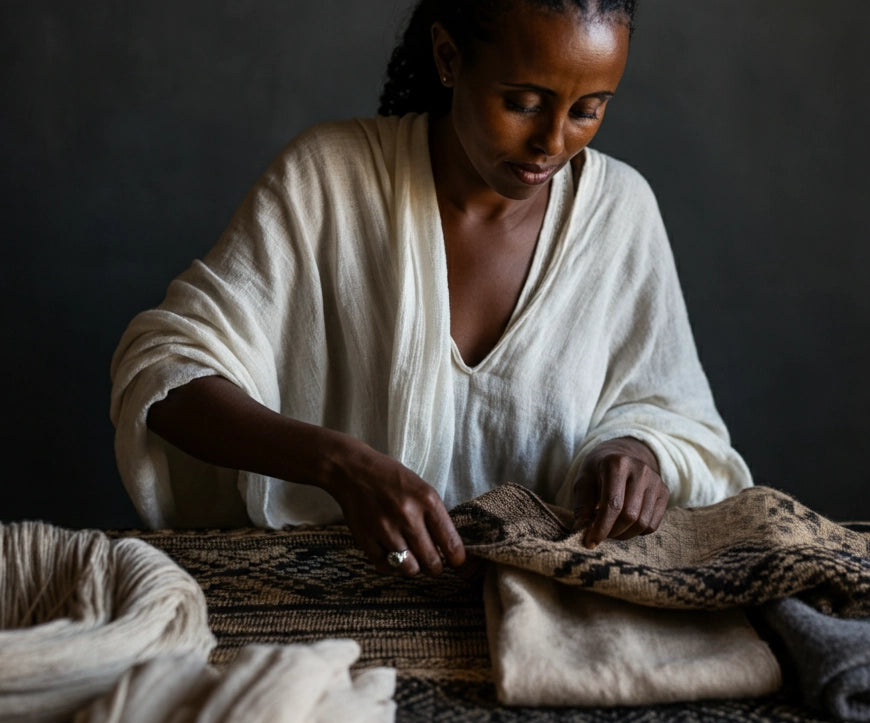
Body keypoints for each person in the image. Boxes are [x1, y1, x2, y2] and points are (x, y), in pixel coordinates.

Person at [109, 0, 752, 577]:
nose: (553, 143)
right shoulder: (328, 181)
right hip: (316, 603)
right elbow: (164, 372)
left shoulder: (621, 213)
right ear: (450, 57)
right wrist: (342, 466)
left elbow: (677, 417)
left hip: (540, 622)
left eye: (588, 110)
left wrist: (634, 450)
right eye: (523, 103)